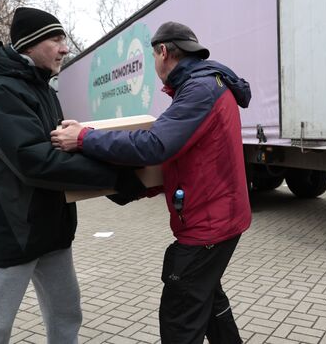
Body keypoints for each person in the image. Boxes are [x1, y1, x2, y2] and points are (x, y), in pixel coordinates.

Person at [51, 21, 252, 343]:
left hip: (207, 226)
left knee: (180, 318)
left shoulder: (199, 90)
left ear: (162, 52)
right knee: (209, 301)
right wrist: (150, 185)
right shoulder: (208, 85)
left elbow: (155, 145)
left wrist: (84, 139)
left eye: (152, 57)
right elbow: (194, 159)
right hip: (218, 218)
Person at [0, 7, 144, 343]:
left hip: (50, 230)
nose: (65, 47)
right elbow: (36, 161)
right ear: (29, 45)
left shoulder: (43, 89)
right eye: (56, 39)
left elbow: (61, 153)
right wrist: (117, 178)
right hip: (7, 234)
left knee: (66, 313)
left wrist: (117, 179)